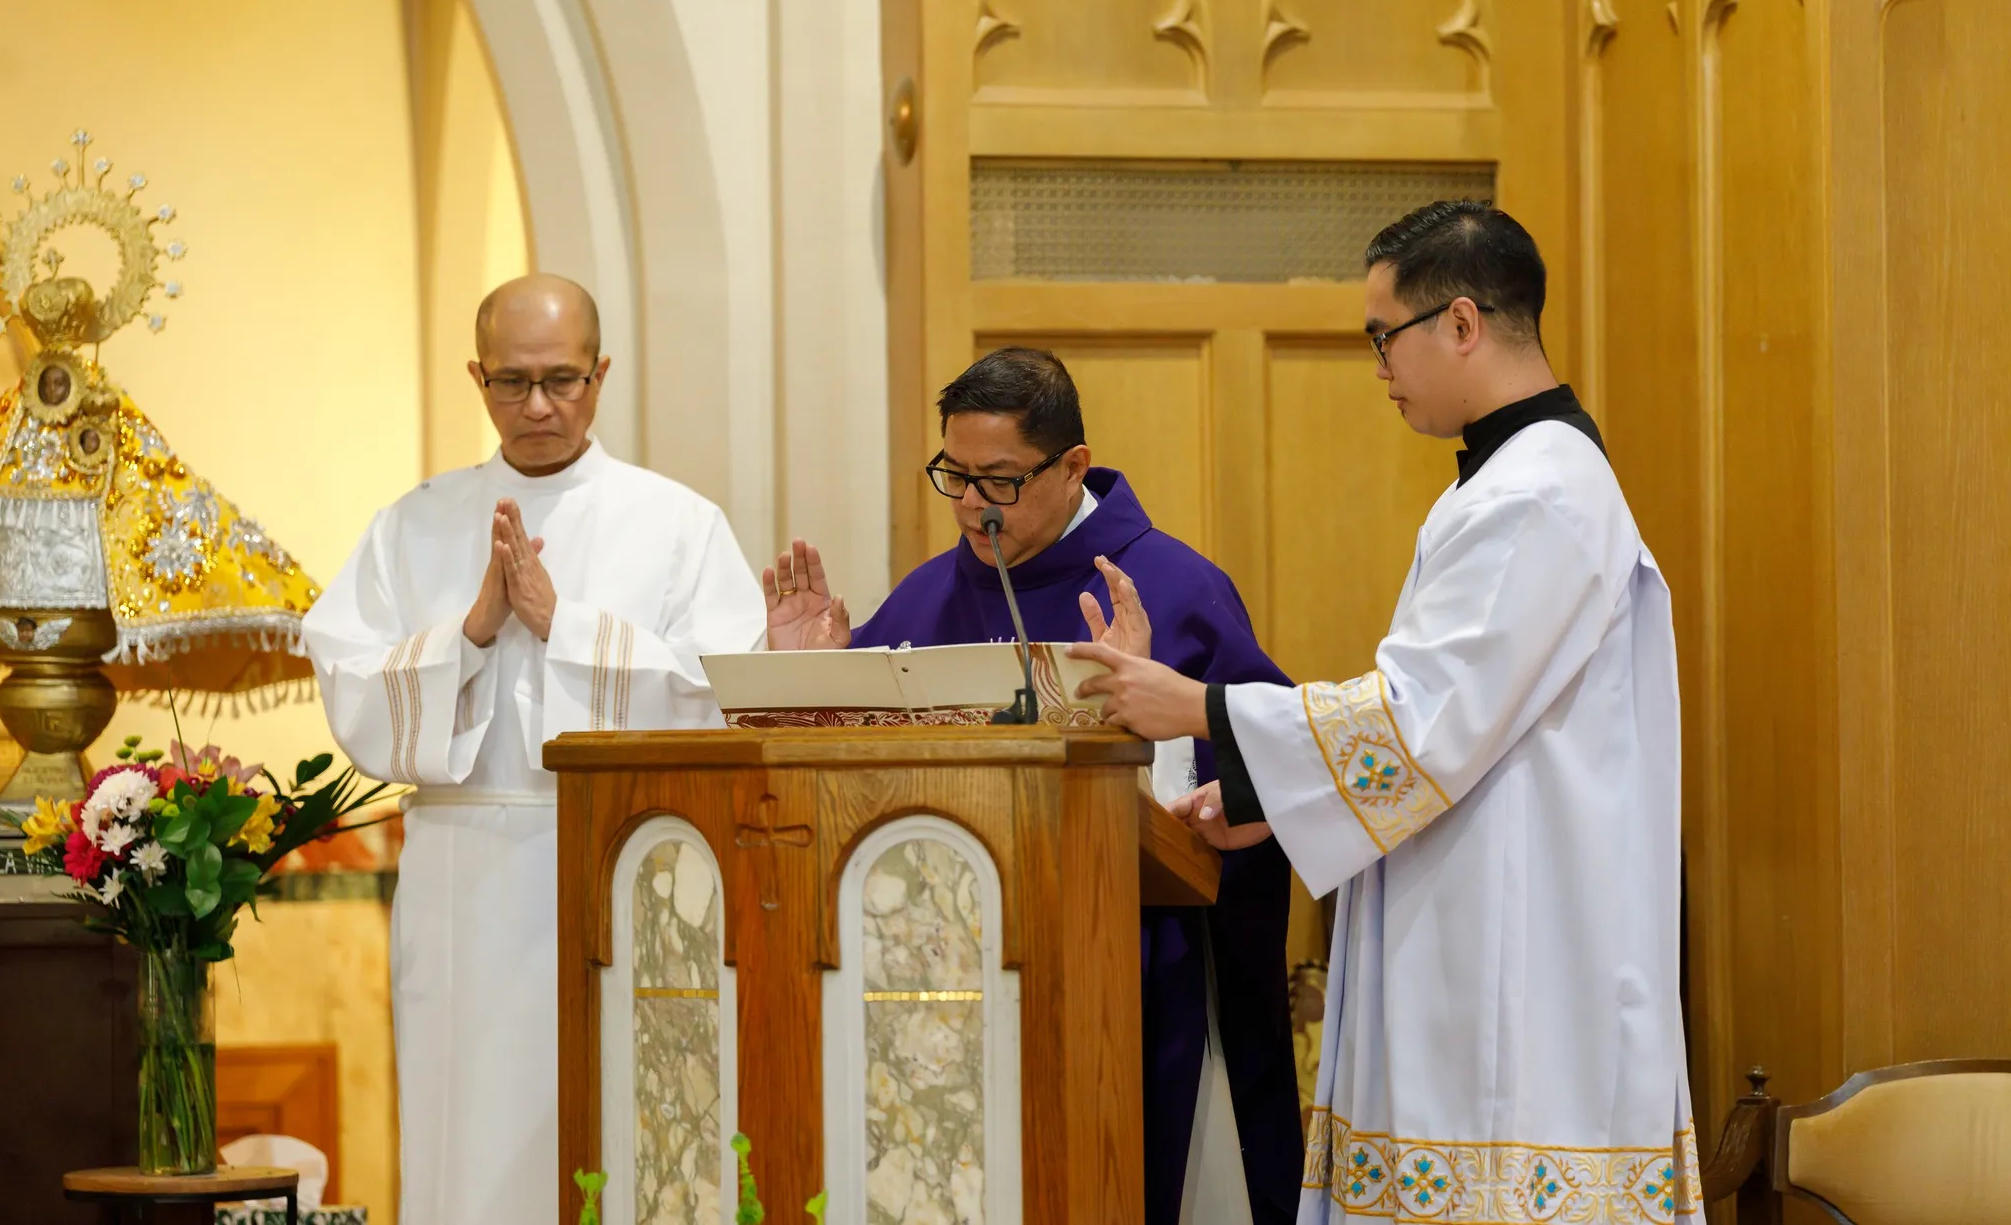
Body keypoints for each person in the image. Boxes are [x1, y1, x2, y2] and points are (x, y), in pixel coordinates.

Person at [1070, 201, 1702, 1224]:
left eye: (1380, 337)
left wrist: (1194, 706)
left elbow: (1418, 724)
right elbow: (1454, 728)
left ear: (1458, 324)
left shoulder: (1536, 492)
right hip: (1476, 915)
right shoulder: (1510, 485)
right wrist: (1267, 794)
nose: (1376, 367)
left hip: (1513, 966)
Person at [766, 347, 1303, 1224]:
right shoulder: (925, 595)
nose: (972, 504)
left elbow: (1271, 775)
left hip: (1122, 980)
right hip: (935, 988)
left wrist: (1142, 736)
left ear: (1073, 466)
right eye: (955, 475)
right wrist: (812, 686)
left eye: (1001, 480)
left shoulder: (1175, 587)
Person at [302, 274, 765, 1225]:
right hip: (462, 886)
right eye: (512, 382)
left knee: (625, 1132)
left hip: (628, 877)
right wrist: (470, 632)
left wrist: (568, 628)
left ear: (602, 374)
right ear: (477, 377)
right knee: (463, 1138)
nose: (540, 405)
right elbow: (348, 686)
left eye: (563, 378)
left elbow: (724, 700)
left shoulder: (678, 524)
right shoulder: (415, 522)